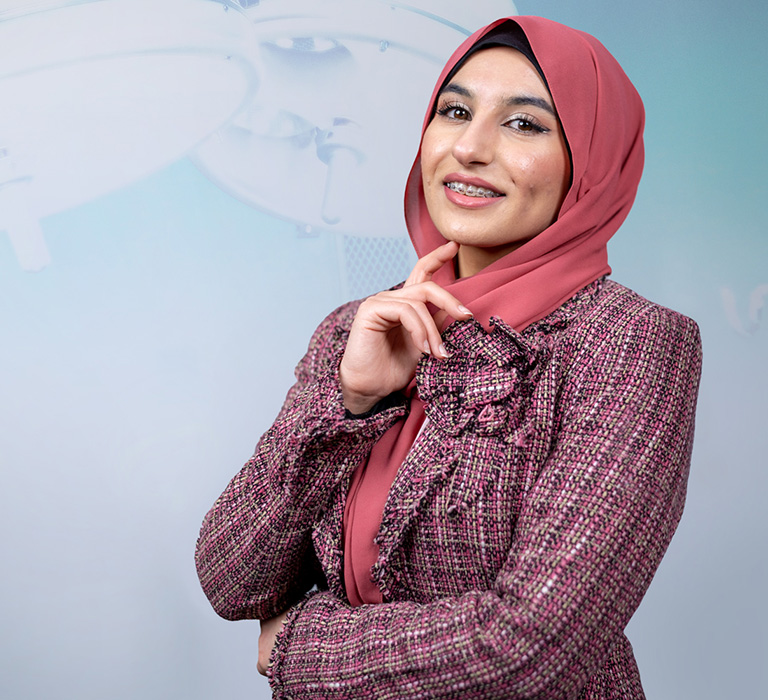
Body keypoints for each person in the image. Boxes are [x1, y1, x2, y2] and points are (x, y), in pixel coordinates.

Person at [194, 15, 702, 699]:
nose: (469, 146)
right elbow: (234, 580)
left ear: (591, 161)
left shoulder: (630, 343)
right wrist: (352, 401)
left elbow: (531, 644)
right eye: (454, 111)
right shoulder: (360, 328)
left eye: (524, 124)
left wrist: (299, 645)